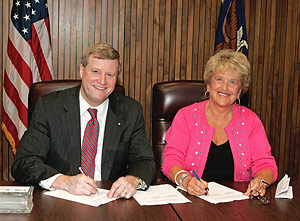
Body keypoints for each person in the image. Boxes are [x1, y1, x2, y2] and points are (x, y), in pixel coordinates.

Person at [12, 43, 156, 199]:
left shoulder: (130, 111)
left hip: (110, 201)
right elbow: (24, 162)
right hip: (60, 200)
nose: (102, 81)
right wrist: (65, 182)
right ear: (82, 70)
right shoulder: (49, 107)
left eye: (110, 75)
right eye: (95, 72)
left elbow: (145, 161)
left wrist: (133, 180)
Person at [162, 49, 278, 198]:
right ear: (208, 85)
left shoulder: (251, 120)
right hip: (192, 201)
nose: (224, 87)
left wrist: (261, 181)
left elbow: (266, 164)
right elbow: (171, 159)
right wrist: (186, 181)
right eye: (219, 79)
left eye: (232, 82)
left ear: (239, 91)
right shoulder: (186, 116)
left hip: (239, 204)